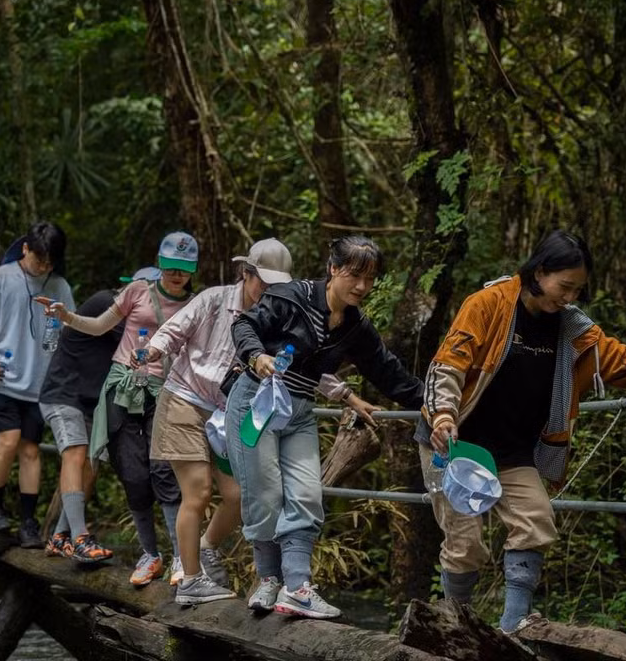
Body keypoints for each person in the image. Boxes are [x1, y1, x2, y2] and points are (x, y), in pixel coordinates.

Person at [420, 229, 626, 633]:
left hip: (513, 449)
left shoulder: (572, 329)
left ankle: (514, 626)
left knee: (536, 519)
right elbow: (450, 364)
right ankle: (455, 626)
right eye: (565, 286)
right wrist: (442, 416)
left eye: (578, 289)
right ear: (540, 272)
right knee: (465, 542)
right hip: (457, 444)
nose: (570, 297)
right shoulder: (489, 304)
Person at [227, 235, 422, 619]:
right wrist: (257, 355)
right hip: (255, 403)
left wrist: (433, 405)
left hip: (298, 412)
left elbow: (388, 371)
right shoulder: (290, 296)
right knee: (265, 494)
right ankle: (268, 578)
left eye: (370, 279)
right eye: (354, 275)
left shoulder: (355, 326)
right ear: (332, 269)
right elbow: (245, 326)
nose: (362, 287)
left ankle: (296, 587)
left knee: (306, 494)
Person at [43, 231, 198, 587]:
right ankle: (150, 554)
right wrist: (67, 317)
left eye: (184, 269)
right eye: (171, 266)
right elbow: (99, 326)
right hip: (121, 390)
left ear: (193, 270)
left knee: (165, 473)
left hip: (164, 393)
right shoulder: (136, 292)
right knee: (133, 474)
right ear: (159, 263)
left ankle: (180, 556)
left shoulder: (196, 304)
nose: (177, 274)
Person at [146, 238, 294, 605]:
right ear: (246, 274)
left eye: (278, 285)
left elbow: (300, 361)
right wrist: (153, 349)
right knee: (196, 492)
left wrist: (347, 395)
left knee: (237, 495)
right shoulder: (215, 299)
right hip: (184, 399)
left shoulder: (277, 315)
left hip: (226, 413)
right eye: (265, 283)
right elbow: (175, 328)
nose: (269, 291)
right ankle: (191, 580)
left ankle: (206, 546)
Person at [36, 267, 160, 563]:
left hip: (93, 401)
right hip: (63, 394)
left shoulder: (140, 321)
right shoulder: (106, 303)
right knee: (76, 452)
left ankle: (60, 537)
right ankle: (80, 538)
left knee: (91, 463)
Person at [0, 221, 75, 549]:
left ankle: (28, 521)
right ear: (25, 249)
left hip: (39, 383)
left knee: (30, 450)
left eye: (50, 261)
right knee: (8, 441)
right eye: (39, 258)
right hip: (0, 377)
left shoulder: (59, 286)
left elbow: (72, 327)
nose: (43, 266)